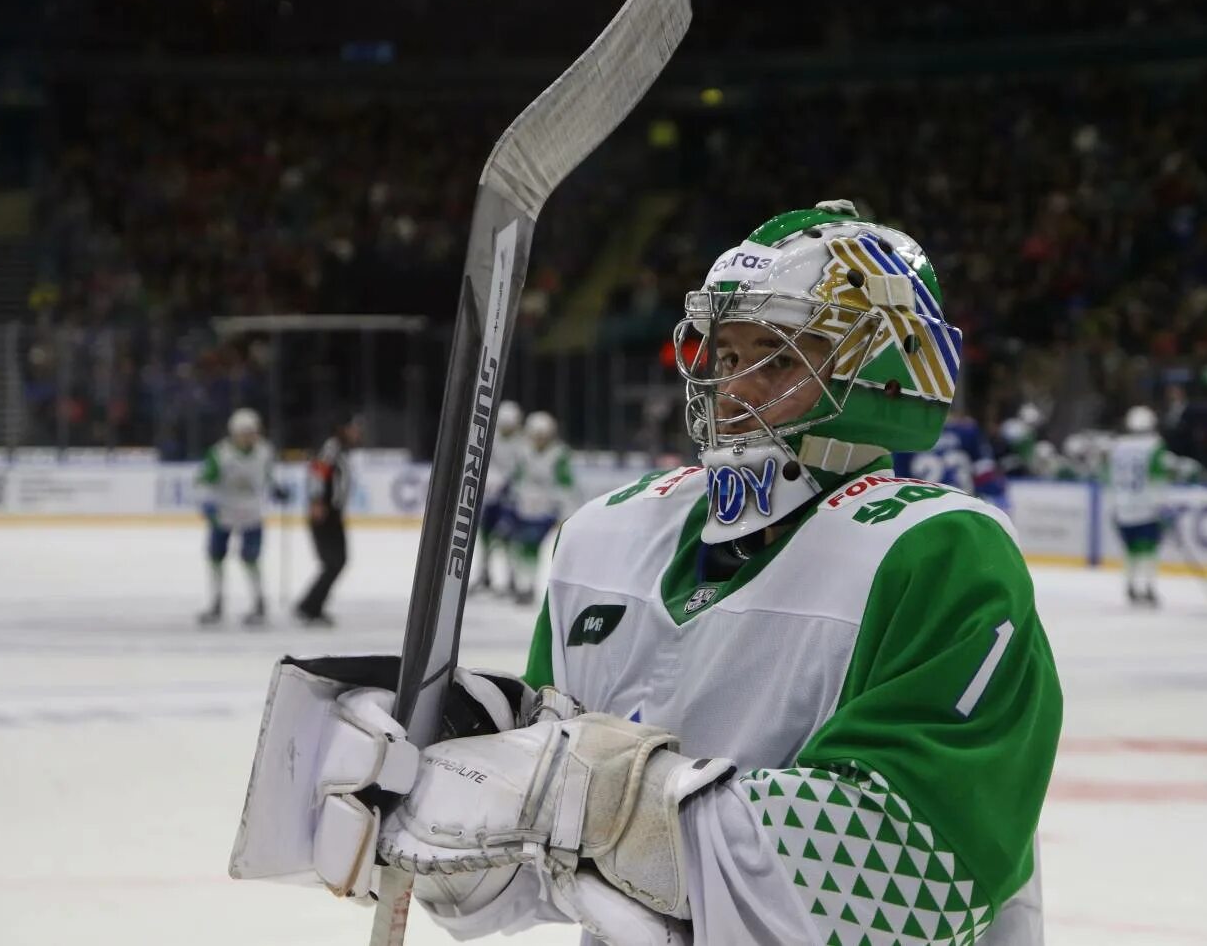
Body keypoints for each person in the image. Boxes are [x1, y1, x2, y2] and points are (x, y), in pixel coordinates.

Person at [230, 200, 1062, 945]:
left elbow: (910, 873)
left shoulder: (937, 554)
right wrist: (452, 782)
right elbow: (540, 858)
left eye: (777, 360)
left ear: (886, 368)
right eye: (726, 353)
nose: (733, 388)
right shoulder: (608, 536)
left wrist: (586, 800)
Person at [196, 408, 281, 627]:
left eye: (252, 432)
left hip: (252, 512)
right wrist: (207, 503)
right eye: (244, 433)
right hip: (224, 512)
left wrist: (277, 489)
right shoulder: (220, 454)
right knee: (216, 557)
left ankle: (259, 601)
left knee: (251, 558)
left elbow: (269, 476)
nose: (249, 437)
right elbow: (204, 481)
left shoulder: (264, 452)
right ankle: (217, 601)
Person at [502, 410, 576, 605]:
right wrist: (512, 501)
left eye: (543, 436)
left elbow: (566, 486)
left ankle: (529, 584)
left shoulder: (559, 455)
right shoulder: (522, 452)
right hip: (523, 508)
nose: (539, 440)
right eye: (536, 435)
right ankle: (520, 583)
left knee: (533, 548)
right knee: (518, 548)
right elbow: (516, 479)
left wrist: (566, 514)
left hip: (546, 510)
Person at [295, 412, 362, 626]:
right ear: (343, 429)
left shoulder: (339, 450)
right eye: (353, 428)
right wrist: (317, 501)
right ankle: (309, 606)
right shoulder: (331, 448)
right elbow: (317, 473)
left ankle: (311, 605)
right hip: (325, 513)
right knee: (334, 561)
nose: (357, 433)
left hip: (332, 513)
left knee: (336, 561)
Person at [1106, 405, 1170, 607]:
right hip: (1146, 507)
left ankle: (1131, 585)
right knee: (1149, 550)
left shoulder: (1117, 445)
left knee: (1131, 551)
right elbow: (1158, 477)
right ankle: (1149, 586)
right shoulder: (1155, 445)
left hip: (1122, 507)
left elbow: (1107, 476)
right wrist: (1162, 505)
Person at [895, 412, 1009, 509]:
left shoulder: (909, 435)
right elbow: (986, 474)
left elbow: (899, 481)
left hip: (925, 508)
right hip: (965, 504)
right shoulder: (966, 431)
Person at [472, 400, 526, 597]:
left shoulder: (523, 443)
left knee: (510, 540)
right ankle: (484, 573)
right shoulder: (491, 440)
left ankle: (512, 578)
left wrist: (510, 484)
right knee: (485, 537)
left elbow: (522, 470)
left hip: (511, 501)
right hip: (492, 499)